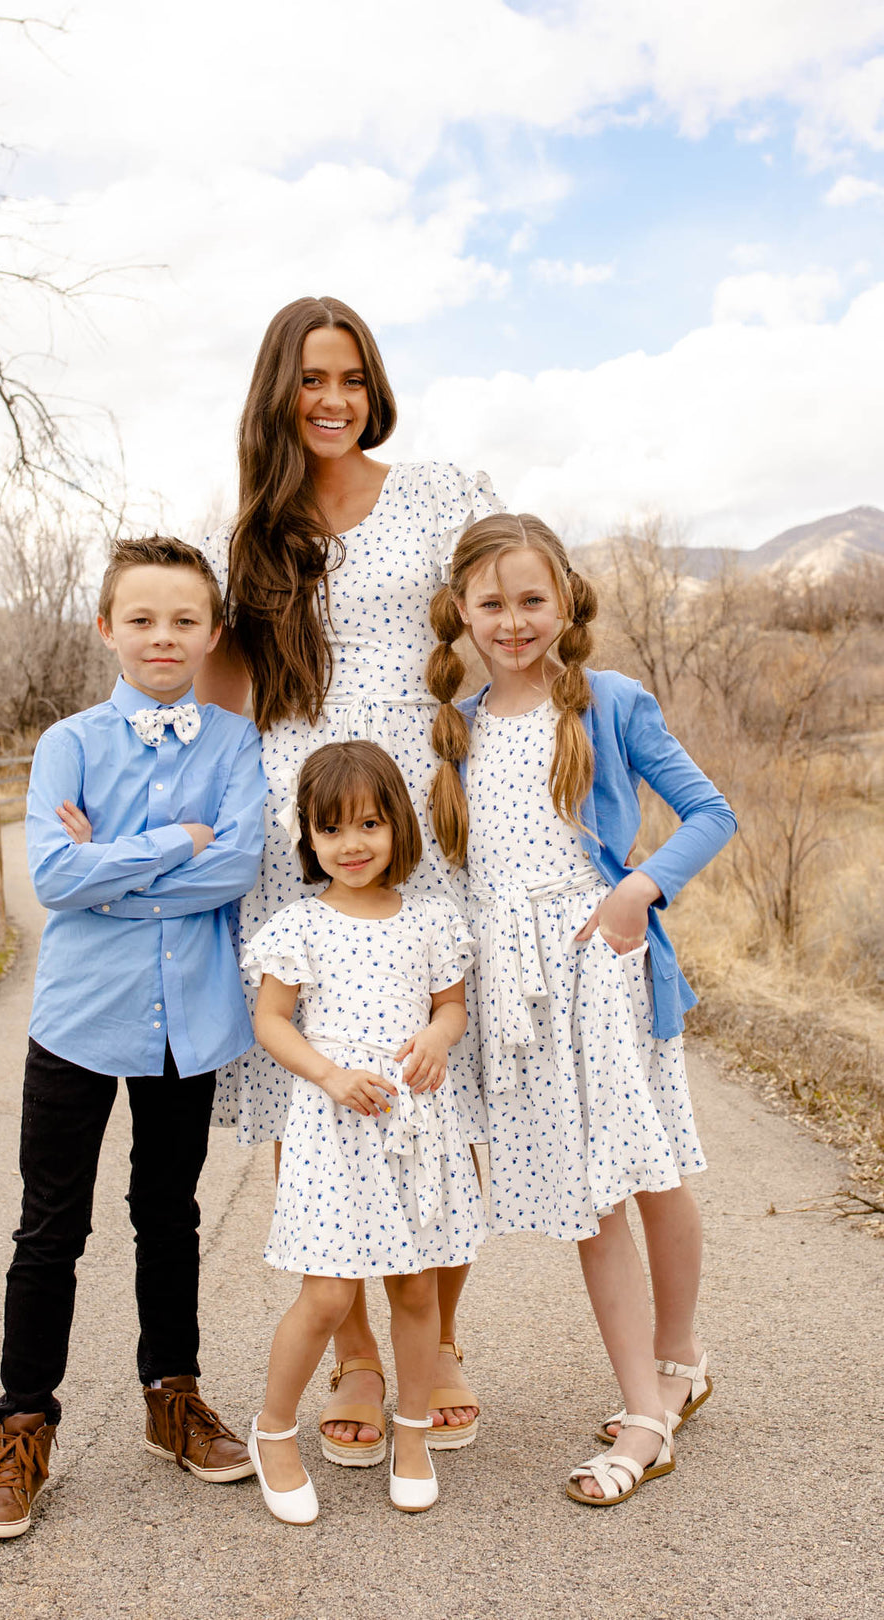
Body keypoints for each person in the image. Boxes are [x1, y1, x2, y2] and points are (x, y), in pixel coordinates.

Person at [198, 294, 501, 1456]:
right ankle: (356, 1356)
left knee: (437, 1075)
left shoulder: (436, 493)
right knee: (313, 1091)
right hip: (298, 820)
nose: (333, 401)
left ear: (374, 388)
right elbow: (225, 688)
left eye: (352, 378)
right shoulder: (256, 536)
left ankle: (436, 1340)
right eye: (312, 380)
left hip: (420, 807)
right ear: (279, 391)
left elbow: (513, 609)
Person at [427, 513, 736, 1506]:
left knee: (649, 1172)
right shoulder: (457, 725)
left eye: (532, 599)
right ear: (462, 612)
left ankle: (671, 1372)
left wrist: (636, 892)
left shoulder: (610, 702)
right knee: (591, 1199)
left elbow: (710, 814)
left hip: (599, 965)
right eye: (492, 602)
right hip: (516, 992)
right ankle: (650, 1398)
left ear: (565, 599)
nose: (513, 621)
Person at [0, 536, 267, 1539]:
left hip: (191, 1023)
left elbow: (237, 871)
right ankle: (22, 1425)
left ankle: (171, 1397)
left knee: (167, 1213)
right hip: (81, 1019)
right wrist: (180, 842)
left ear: (212, 631)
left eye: (184, 619)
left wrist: (116, 869)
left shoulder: (234, 744)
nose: (163, 637)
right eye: (141, 618)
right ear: (105, 628)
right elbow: (54, 880)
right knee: (51, 1226)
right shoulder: (70, 743)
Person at [241, 741, 484, 1523]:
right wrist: (329, 1074)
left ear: (398, 826)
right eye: (332, 829)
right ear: (308, 838)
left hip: (413, 1120)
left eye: (370, 824)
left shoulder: (432, 919)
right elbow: (271, 1021)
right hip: (335, 1123)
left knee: (416, 1285)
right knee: (327, 1293)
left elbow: (451, 1005)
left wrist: (439, 1039)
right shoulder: (300, 925)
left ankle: (411, 1434)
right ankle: (273, 1432)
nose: (353, 845)